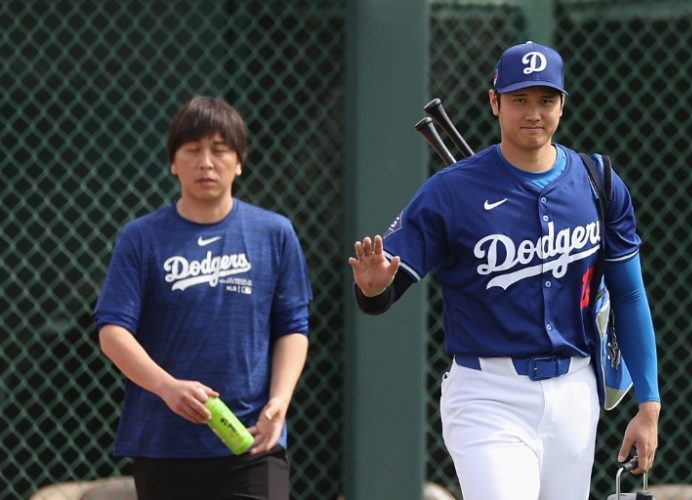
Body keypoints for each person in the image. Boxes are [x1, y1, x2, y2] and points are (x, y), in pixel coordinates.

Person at [348, 41, 660, 500]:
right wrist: (373, 288)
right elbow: (383, 291)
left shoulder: (599, 181)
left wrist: (648, 405)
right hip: (487, 394)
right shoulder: (450, 191)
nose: (533, 112)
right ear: (494, 103)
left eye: (545, 100)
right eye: (519, 100)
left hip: (575, 389)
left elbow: (630, 296)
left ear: (562, 105)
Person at [94, 95, 312, 500]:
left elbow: (293, 328)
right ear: (173, 163)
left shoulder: (274, 233)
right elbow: (113, 332)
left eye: (220, 150)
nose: (206, 162)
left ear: (240, 162)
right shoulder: (141, 238)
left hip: (253, 441)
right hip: (164, 443)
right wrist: (167, 387)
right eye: (192, 150)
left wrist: (280, 401)